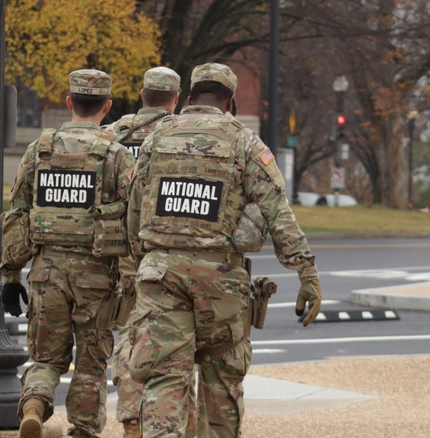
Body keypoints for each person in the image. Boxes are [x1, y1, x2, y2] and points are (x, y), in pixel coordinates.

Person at [126, 63, 322, 437]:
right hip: (221, 284)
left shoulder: (155, 139)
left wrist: (143, 261)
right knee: (221, 381)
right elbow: (276, 210)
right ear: (229, 102)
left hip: (160, 272)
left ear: (189, 97)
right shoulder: (245, 142)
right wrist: (306, 273)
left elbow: (135, 209)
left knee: (165, 378)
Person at [0, 69, 136, 438]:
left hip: (46, 272)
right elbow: (134, 217)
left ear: (68, 102)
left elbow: (17, 214)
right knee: (91, 363)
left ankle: (34, 405)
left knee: (45, 358)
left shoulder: (40, 149)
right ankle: (82, 431)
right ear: (107, 106)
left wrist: (11, 276)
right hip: (97, 277)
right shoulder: (117, 155)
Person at [103, 66, 189, 438]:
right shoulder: (180, 135)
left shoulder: (116, 132)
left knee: (130, 331)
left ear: (141, 95)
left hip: (120, 248)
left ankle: (131, 415)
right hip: (163, 247)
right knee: (175, 340)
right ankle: (176, 417)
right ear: (175, 99)